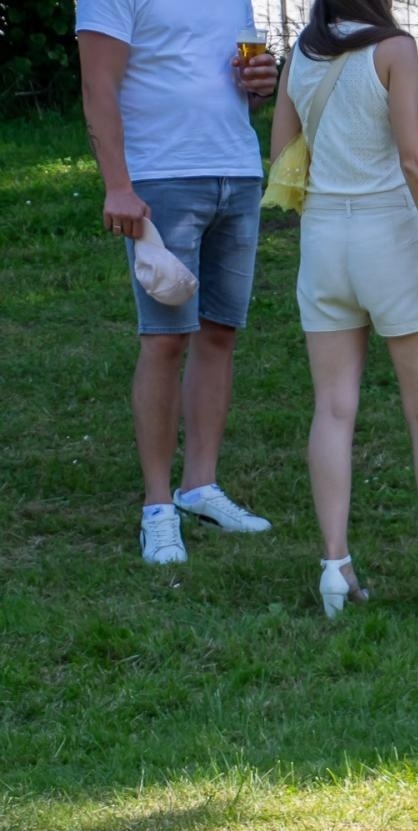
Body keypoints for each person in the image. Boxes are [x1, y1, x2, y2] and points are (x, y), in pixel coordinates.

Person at [271, 0, 418, 617]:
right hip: (392, 237)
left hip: (324, 241)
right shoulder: (394, 49)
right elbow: (414, 160)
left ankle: (336, 567)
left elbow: (282, 155)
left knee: (332, 410)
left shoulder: (301, 53)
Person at [77, 0, 280, 565]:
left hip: (236, 172)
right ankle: (158, 507)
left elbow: (231, 79)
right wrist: (117, 184)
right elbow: (98, 85)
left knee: (220, 333)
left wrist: (260, 84)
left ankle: (200, 486)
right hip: (160, 176)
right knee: (165, 340)